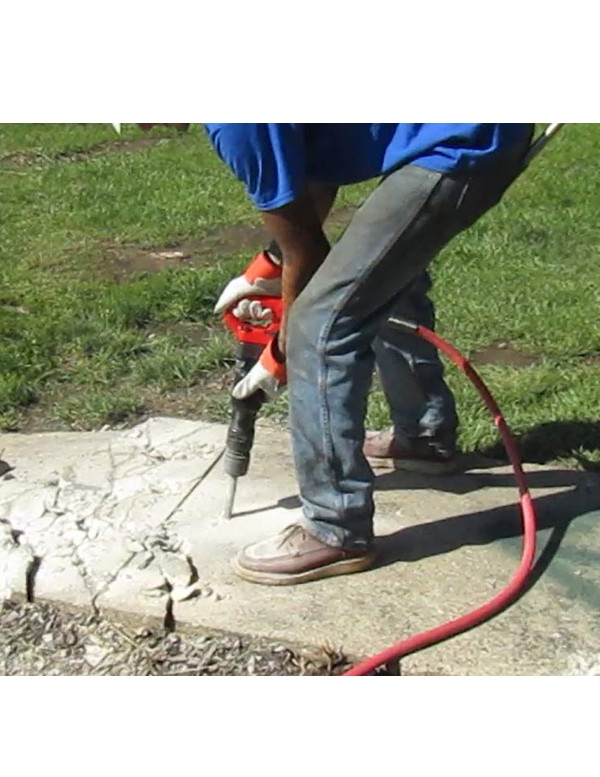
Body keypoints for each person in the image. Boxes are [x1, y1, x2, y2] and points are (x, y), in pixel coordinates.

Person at [143, 123, 534, 586]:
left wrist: (284, 349)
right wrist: (270, 265)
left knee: (321, 324)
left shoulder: (236, 123)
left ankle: (335, 526)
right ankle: (423, 437)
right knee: (380, 276)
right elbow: (314, 183)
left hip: (462, 142)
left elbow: (308, 253)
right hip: (465, 129)